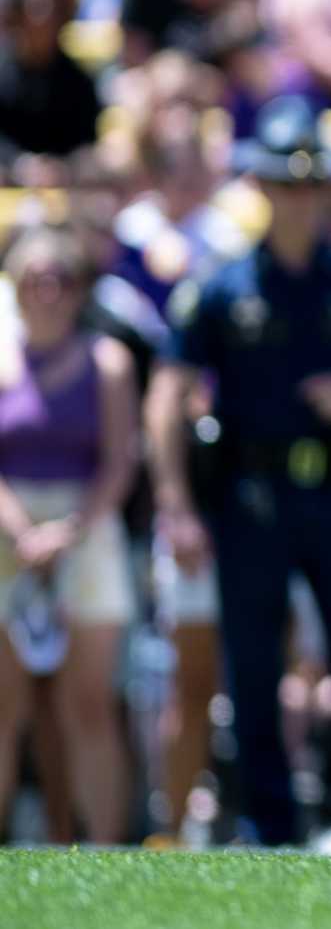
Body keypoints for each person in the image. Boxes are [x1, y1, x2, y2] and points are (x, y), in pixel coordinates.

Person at [143, 97, 331, 847]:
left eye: (311, 185)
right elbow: (167, 392)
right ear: (261, 190)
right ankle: (272, 829)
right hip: (251, 494)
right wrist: (176, 501)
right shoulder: (224, 289)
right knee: (251, 665)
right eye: (285, 183)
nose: (299, 199)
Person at [0, 228, 140, 843]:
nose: (47, 291)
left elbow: (121, 459)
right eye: (35, 279)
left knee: (90, 705)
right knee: (5, 708)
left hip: (87, 532)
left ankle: (105, 847)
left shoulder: (108, 361)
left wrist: (69, 530)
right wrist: (19, 529)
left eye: (59, 278)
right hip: (8, 532)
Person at [0, 0, 101, 184]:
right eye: (33, 6)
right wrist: (18, 164)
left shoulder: (79, 83)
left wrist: (61, 168)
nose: (42, 16)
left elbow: (86, 146)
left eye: (51, 6)